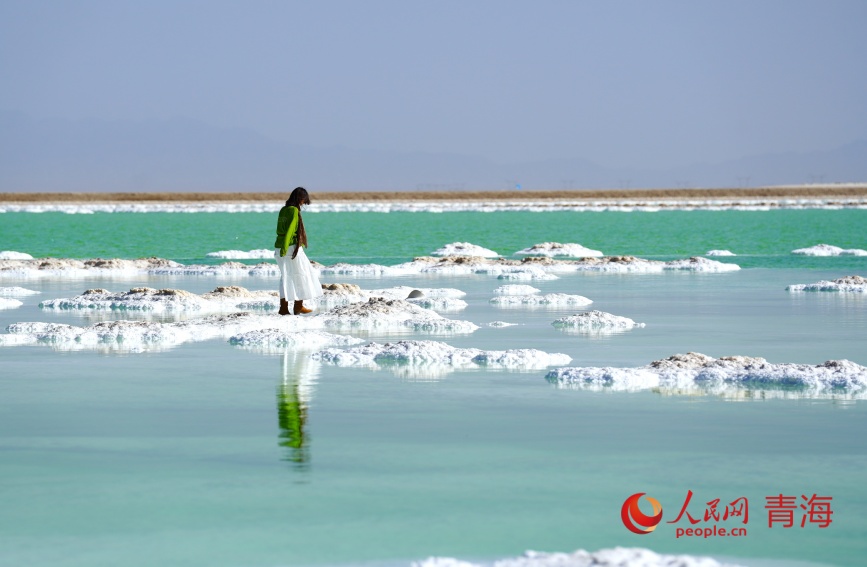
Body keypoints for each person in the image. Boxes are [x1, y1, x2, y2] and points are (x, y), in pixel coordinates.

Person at [274, 187, 324, 315]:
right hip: (291, 247)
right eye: (303, 200)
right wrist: (286, 247)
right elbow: (290, 230)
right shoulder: (294, 210)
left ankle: (283, 308)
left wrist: (282, 247)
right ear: (299, 198)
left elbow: (280, 228)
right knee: (302, 274)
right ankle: (298, 306)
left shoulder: (283, 209)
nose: (303, 203)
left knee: (286, 277)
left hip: (279, 246)